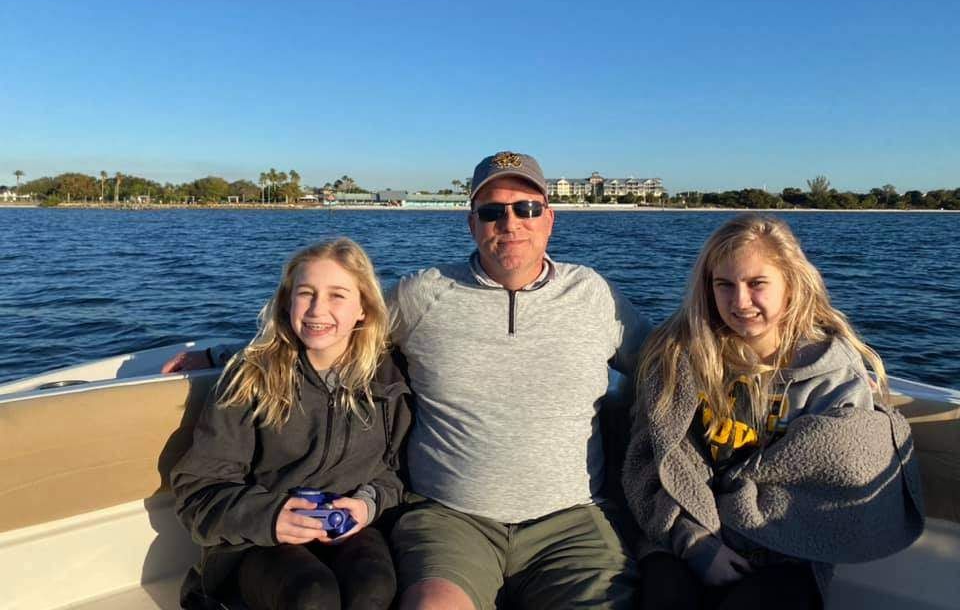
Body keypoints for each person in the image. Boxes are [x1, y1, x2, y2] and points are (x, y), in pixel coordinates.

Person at [165, 151, 651, 610]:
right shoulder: (425, 295)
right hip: (450, 519)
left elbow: (663, 362)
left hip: (571, 521)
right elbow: (335, 328)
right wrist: (222, 353)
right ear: (472, 223)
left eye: (526, 208)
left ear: (549, 218)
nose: (510, 223)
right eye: (492, 211)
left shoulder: (594, 296)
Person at [622, 213, 924, 610]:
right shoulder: (678, 358)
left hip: (787, 551)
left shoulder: (831, 374)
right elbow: (649, 462)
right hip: (683, 536)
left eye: (757, 284)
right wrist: (695, 543)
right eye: (724, 285)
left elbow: (828, 481)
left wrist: (730, 528)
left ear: (791, 285)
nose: (740, 301)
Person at [171, 238, 412, 610]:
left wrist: (366, 505)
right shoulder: (252, 377)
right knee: (312, 595)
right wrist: (271, 517)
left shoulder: (388, 380)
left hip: (350, 528)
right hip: (256, 538)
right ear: (287, 302)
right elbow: (198, 490)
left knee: (374, 588)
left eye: (337, 295)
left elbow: (397, 472)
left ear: (363, 308)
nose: (317, 310)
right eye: (305, 293)